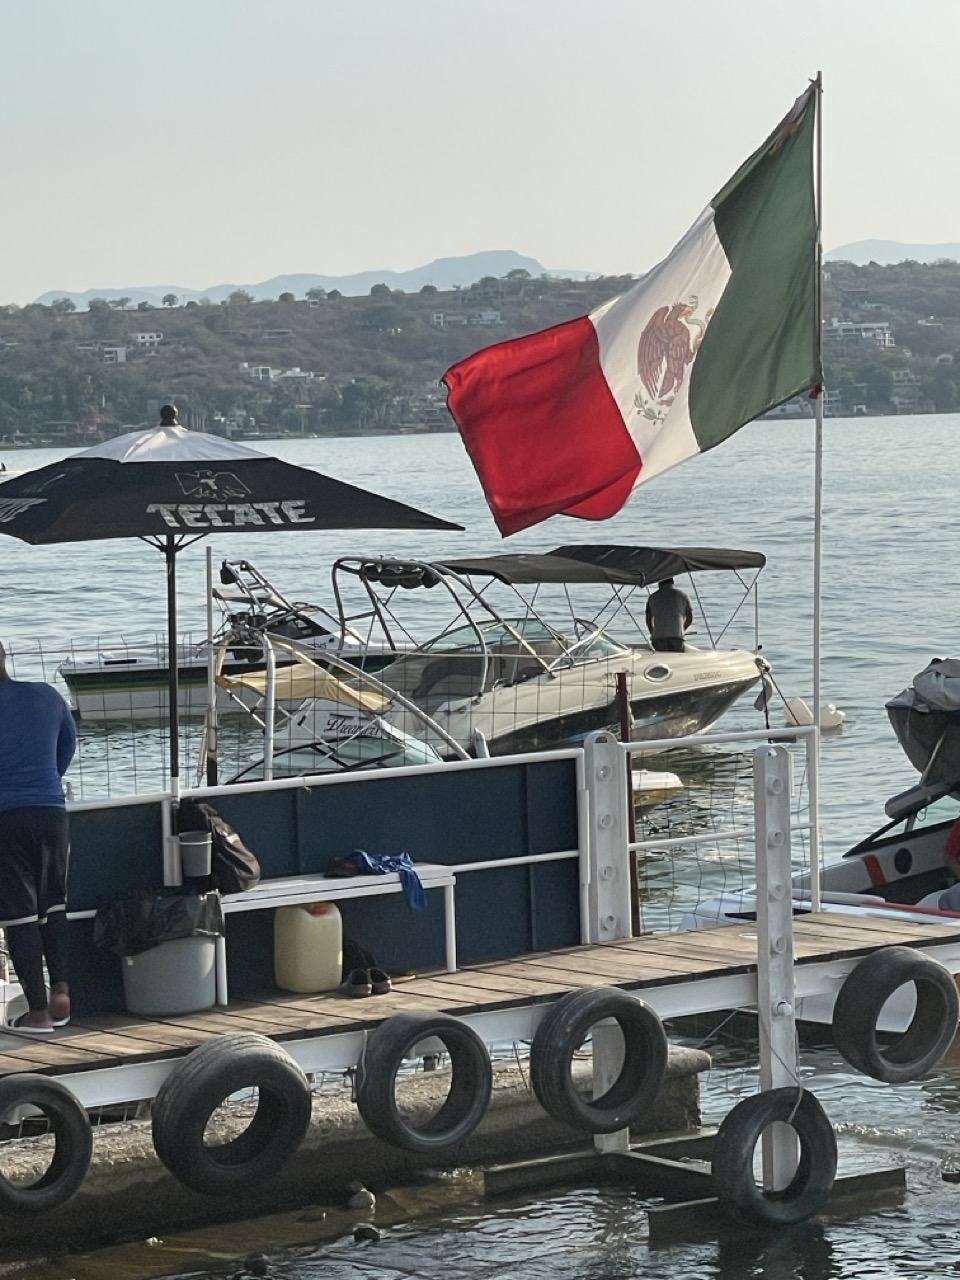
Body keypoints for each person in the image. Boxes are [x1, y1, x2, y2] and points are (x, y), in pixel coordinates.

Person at [0, 639, 76, 1032]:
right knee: (54, 904)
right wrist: (46, 782)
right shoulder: (47, 696)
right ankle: (61, 989)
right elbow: (67, 747)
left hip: (5, 818)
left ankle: (37, 1010)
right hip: (51, 811)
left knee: (20, 915)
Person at [645, 577, 693, 653]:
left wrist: (653, 632)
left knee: (661, 659)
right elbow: (689, 618)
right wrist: (681, 630)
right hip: (676, 636)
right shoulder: (682, 596)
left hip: (658, 637)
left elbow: (648, 620)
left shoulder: (652, 597)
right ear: (672, 582)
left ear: (659, 582)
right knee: (675, 662)